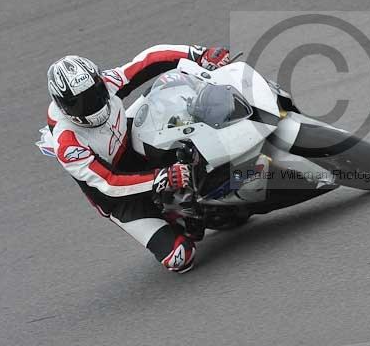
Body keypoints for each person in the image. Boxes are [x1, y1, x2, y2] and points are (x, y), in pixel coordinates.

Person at [46, 44, 231, 273]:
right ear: (63, 106)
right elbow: (110, 183)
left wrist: (198, 55)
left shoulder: (107, 82)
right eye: (80, 103)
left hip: (132, 146)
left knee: (176, 106)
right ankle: (175, 215)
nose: (92, 104)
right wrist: (161, 177)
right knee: (180, 257)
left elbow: (149, 59)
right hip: (120, 201)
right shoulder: (67, 143)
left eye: (95, 94)